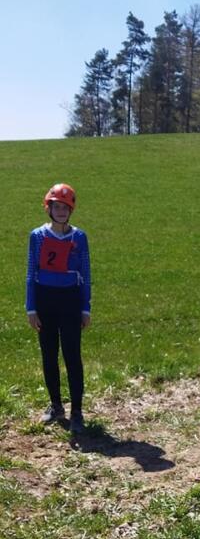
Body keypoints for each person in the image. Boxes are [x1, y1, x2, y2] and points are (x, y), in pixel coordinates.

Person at [26, 183, 91, 431]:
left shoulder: (79, 238)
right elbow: (31, 273)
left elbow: (85, 274)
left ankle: (77, 412)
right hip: (45, 301)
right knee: (49, 355)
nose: (61, 211)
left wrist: (85, 308)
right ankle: (56, 405)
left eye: (65, 207)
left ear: (71, 210)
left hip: (70, 301)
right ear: (49, 209)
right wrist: (31, 308)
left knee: (72, 355)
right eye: (57, 207)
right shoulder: (37, 236)